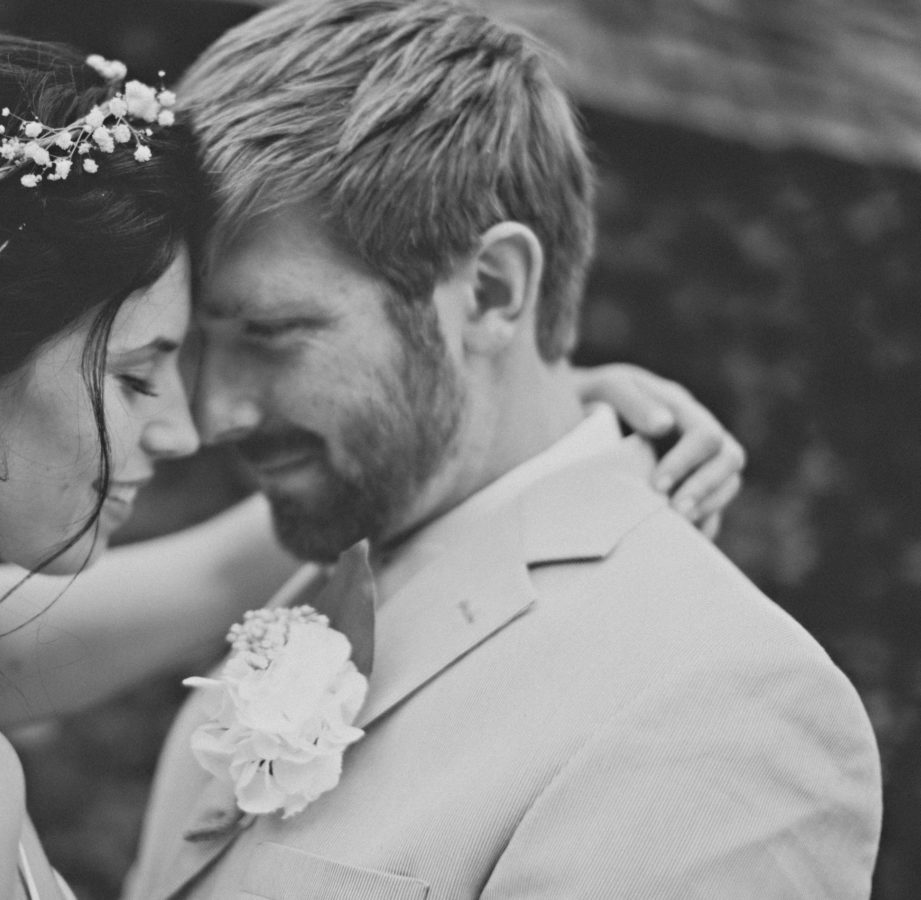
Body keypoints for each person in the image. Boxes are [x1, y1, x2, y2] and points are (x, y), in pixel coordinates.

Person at [0, 24, 743, 900]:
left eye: (259, 337)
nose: (188, 426)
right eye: (137, 375)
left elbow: (181, 586)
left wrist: (499, 410)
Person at [94, 1, 875, 897]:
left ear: (494, 292)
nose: (212, 413)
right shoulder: (313, 584)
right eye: (200, 342)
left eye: (269, 332)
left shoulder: (722, 703)